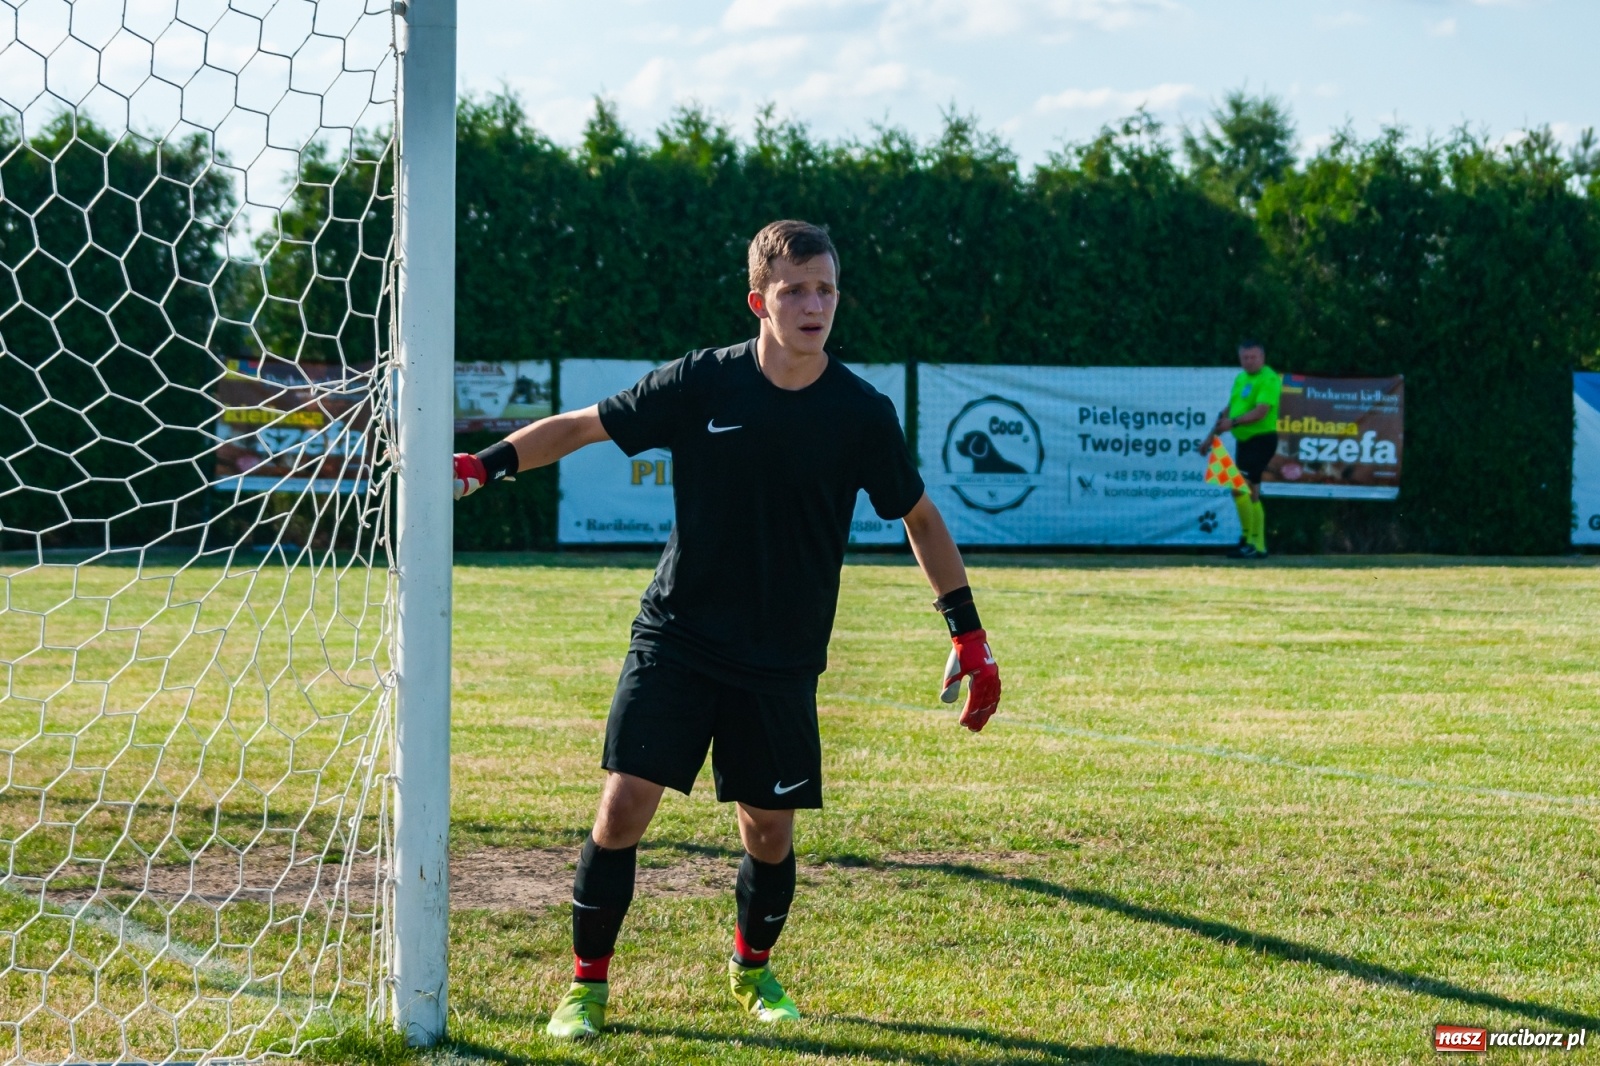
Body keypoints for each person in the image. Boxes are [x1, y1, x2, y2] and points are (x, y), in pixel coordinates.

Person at [451, 220, 1003, 1040]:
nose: (814, 305)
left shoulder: (859, 412)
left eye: (826, 290)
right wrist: (483, 465)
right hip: (677, 636)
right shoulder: (703, 383)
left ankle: (752, 968)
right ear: (760, 301)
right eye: (795, 291)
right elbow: (581, 426)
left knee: (767, 830)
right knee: (623, 807)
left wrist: (968, 636)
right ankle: (586, 988)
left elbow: (918, 517)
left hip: (781, 659)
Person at [1210, 339, 1282, 560]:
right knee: (1251, 493)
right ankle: (1256, 546)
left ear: (1263, 357)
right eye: (1245, 358)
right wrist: (1210, 436)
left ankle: (1250, 541)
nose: (1249, 361)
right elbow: (1231, 407)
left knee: (1240, 489)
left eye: (1253, 357)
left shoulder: (1268, 378)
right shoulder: (1241, 378)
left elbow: (1261, 411)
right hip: (1245, 442)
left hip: (1260, 440)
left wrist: (1232, 423)